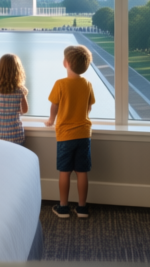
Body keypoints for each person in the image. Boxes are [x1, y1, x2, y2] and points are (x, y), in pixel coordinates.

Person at [44, 45, 95, 219]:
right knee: (82, 172)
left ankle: (63, 207)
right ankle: (82, 208)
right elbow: (88, 107)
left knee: (64, 172)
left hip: (65, 136)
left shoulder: (60, 84)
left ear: (66, 63)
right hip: (84, 134)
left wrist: (51, 120)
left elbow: (54, 105)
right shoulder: (87, 83)